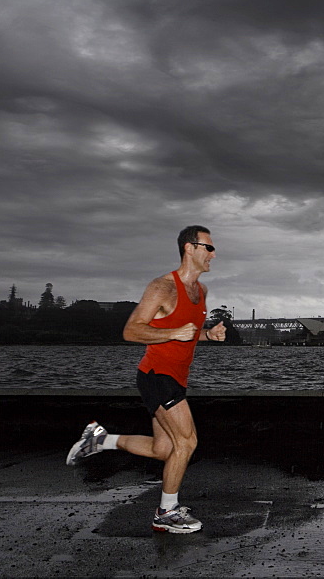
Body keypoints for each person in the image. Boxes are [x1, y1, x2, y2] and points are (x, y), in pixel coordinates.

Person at [66, 225, 226, 534]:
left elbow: (186, 335)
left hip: (176, 378)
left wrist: (209, 334)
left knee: (165, 450)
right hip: (156, 376)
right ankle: (166, 512)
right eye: (208, 247)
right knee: (187, 442)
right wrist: (172, 333)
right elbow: (132, 330)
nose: (213, 253)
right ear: (189, 249)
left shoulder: (201, 292)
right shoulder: (162, 287)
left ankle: (99, 440)